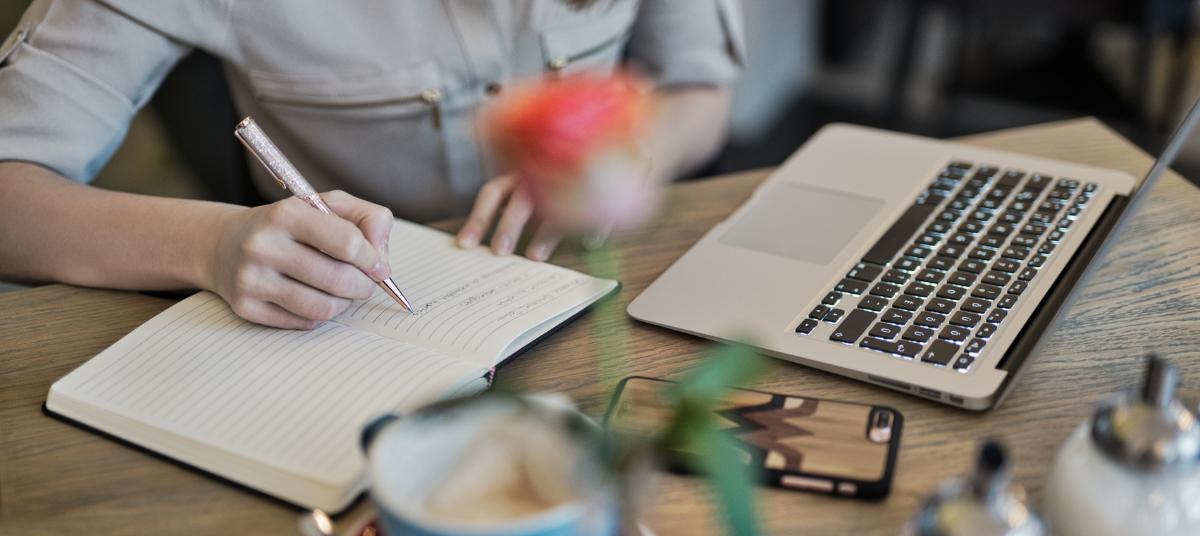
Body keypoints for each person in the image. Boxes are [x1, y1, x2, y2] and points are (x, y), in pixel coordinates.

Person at [0, 0, 744, 329]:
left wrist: (634, 154)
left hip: (594, 290)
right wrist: (210, 244)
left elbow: (702, 90)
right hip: (336, 318)